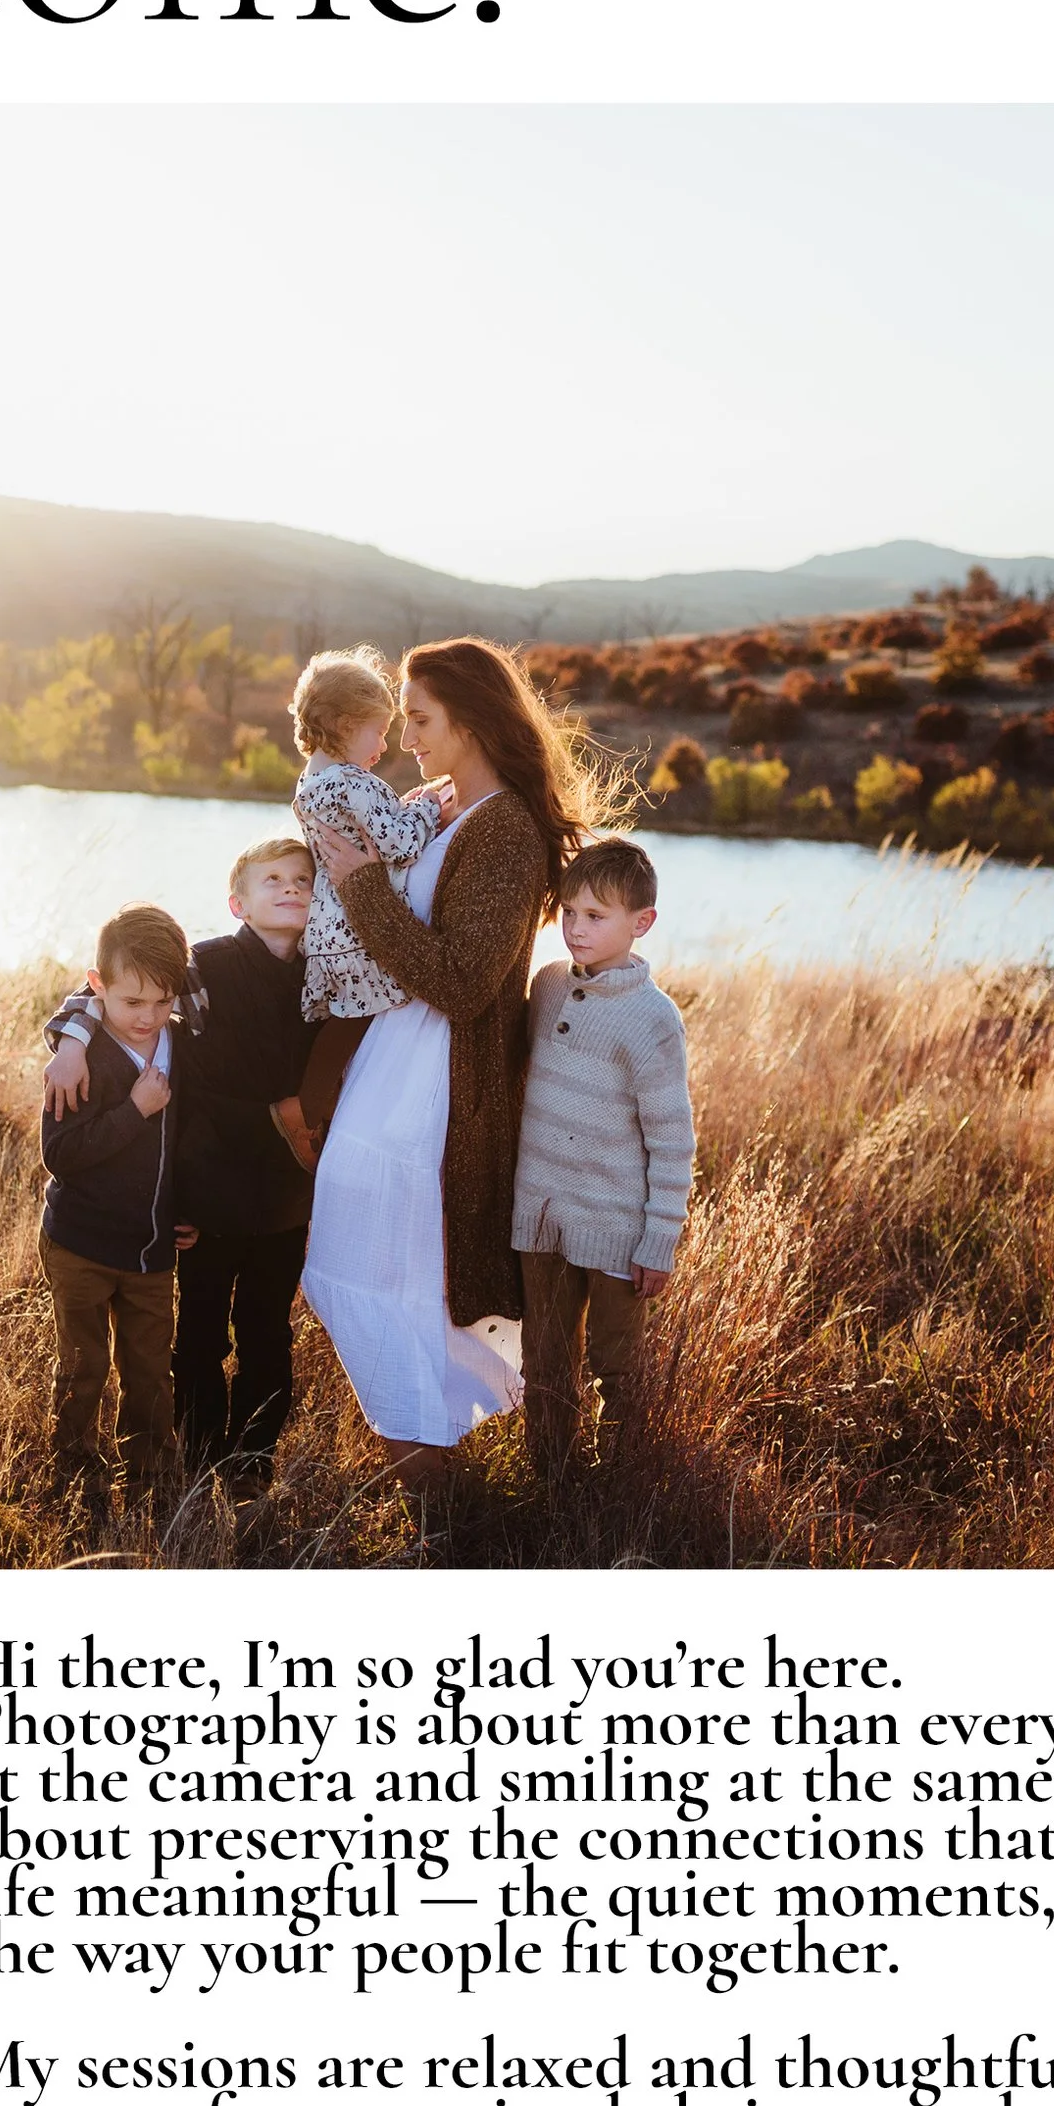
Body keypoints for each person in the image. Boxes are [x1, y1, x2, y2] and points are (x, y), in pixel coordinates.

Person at [301, 636, 617, 1489]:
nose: (407, 735)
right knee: (361, 1283)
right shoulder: (452, 811)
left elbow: (464, 981)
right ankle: (447, 1498)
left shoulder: (508, 830)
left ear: (472, 723)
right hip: (397, 1083)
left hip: (436, 1103)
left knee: (400, 1295)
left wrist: (364, 883)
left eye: (422, 717)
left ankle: (453, 1516)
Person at [42, 839, 319, 1482]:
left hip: (273, 1199)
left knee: (252, 1340)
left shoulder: (325, 970)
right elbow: (119, 987)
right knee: (172, 1345)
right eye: (271, 879)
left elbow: (145, 990)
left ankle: (232, 1465)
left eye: (302, 879)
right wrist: (73, 1038)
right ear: (237, 902)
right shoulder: (207, 971)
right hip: (184, 1202)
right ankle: (141, 1464)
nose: (289, 889)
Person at [512, 836, 696, 1476]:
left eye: (596, 916)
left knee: (616, 1365)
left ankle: (623, 1480)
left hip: (617, 1227)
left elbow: (672, 1141)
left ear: (640, 923)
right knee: (544, 1356)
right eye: (567, 913)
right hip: (540, 1216)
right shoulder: (549, 986)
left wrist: (658, 1242)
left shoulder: (652, 1019)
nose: (575, 929)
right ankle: (552, 1476)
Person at [36, 902, 192, 1506]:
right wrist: (134, 1111)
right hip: (81, 1244)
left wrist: (189, 1209)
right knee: (83, 1365)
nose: (148, 1016)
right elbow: (63, 1153)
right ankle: (76, 1467)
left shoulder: (182, 1040)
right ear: (98, 991)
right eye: (132, 1003)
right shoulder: (81, 1061)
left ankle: (151, 1472)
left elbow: (189, 1144)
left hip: (151, 1250)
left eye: (162, 1001)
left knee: (151, 1366)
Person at [274, 645, 439, 1165]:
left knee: (342, 1021)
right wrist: (429, 807)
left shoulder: (309, 785)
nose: (386, 744)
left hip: (325, 932)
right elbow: (400, 844)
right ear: (345, 725)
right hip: (357, 931)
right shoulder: (354, 782)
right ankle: (306, 1112)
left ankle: (321, 1113)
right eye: (378, 731)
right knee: (360, 1024)